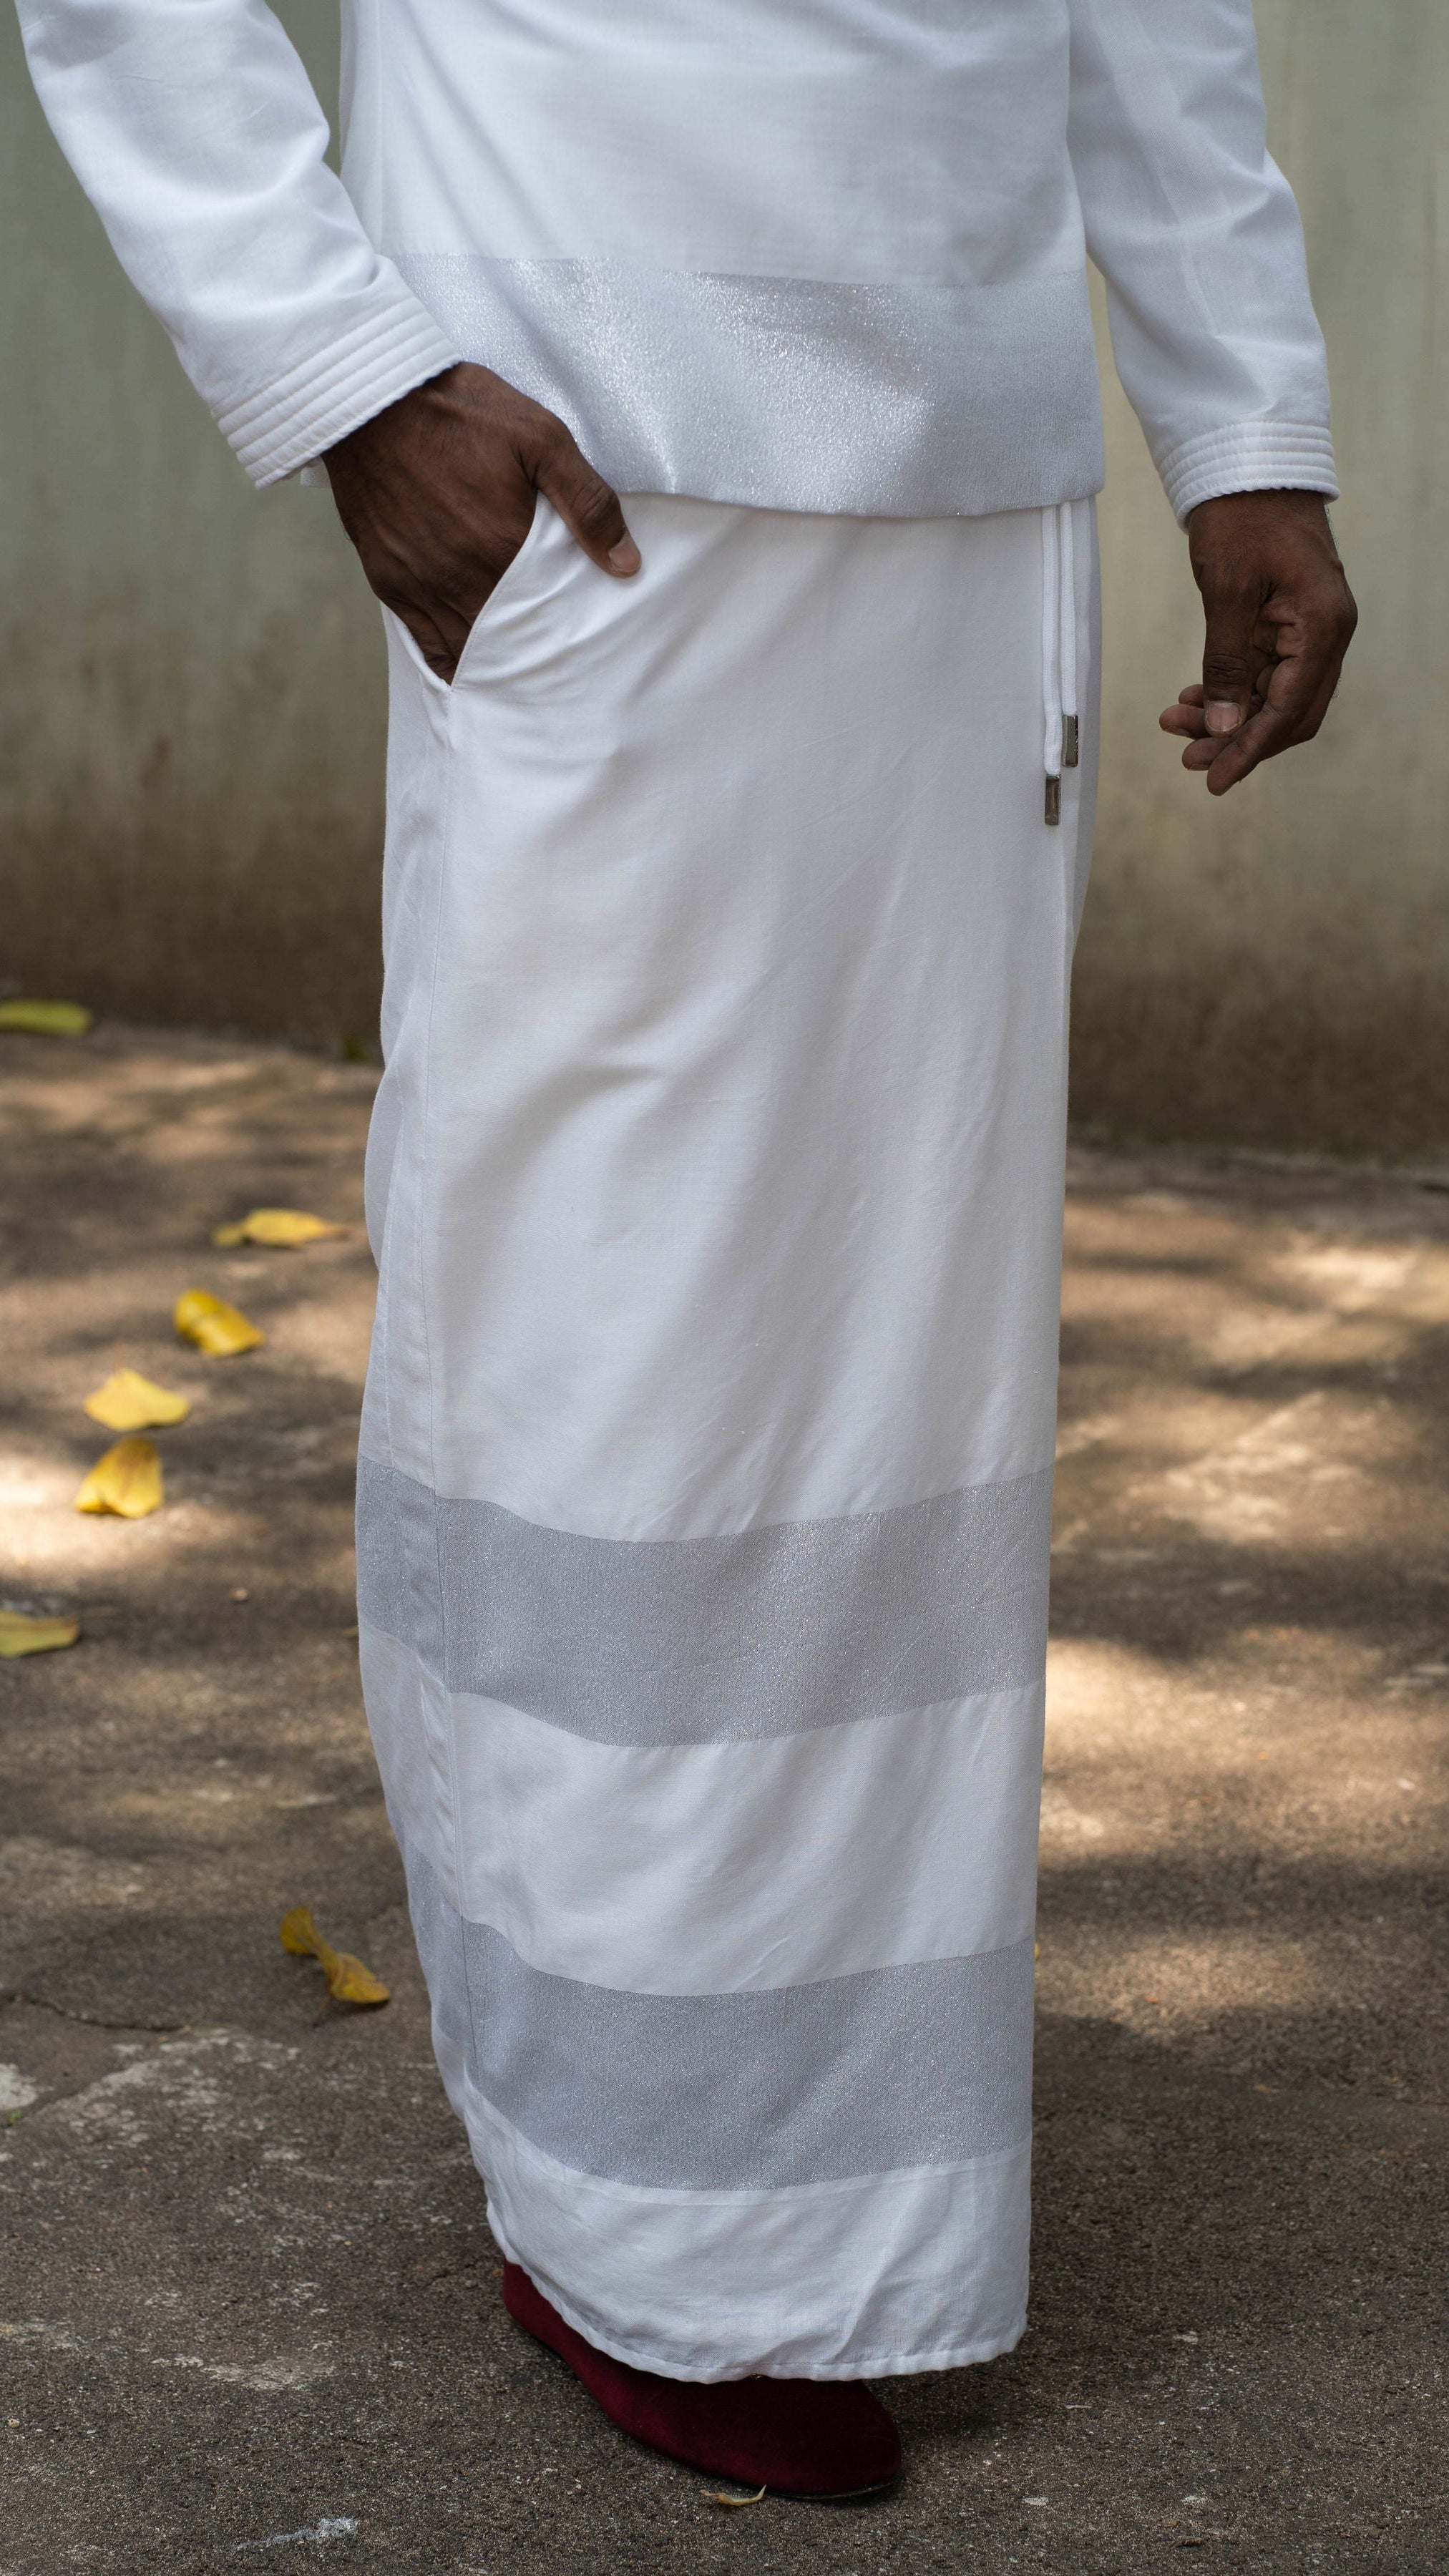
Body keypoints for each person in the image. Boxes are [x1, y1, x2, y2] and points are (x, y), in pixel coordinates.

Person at [20, 0, 1355, 2501]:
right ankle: (643, 2214)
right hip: (585, 466)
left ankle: (829, 2188)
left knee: (892, 1379)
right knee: (616, 1355)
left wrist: (1239, 421)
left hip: (971, 509)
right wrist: (335, 362)